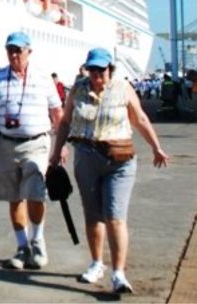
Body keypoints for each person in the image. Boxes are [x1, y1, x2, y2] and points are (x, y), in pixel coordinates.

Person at [50, 48, 171, 294]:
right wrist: (56, 152)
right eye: (92, 69)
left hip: (120, 160)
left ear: (110, 69)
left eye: (101, 70)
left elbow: (139, 119)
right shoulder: (78, 89)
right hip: (86, 156)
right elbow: (65, 122)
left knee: (115, 216)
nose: (96, 74)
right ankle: (96, 264)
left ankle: (119, 273)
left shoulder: (123, 88)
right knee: (93, 215)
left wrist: (156, 147)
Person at [0, 31, 63, 271]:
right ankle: (22, 247)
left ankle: (38, 240)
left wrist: (62, 146)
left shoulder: (43, 77)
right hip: (4, 143)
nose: (14, 54)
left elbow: (57, 114)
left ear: (29, 52)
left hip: (36, 143)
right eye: (10, 50)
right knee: (13, 197)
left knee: (35, 194)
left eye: (18, 50)